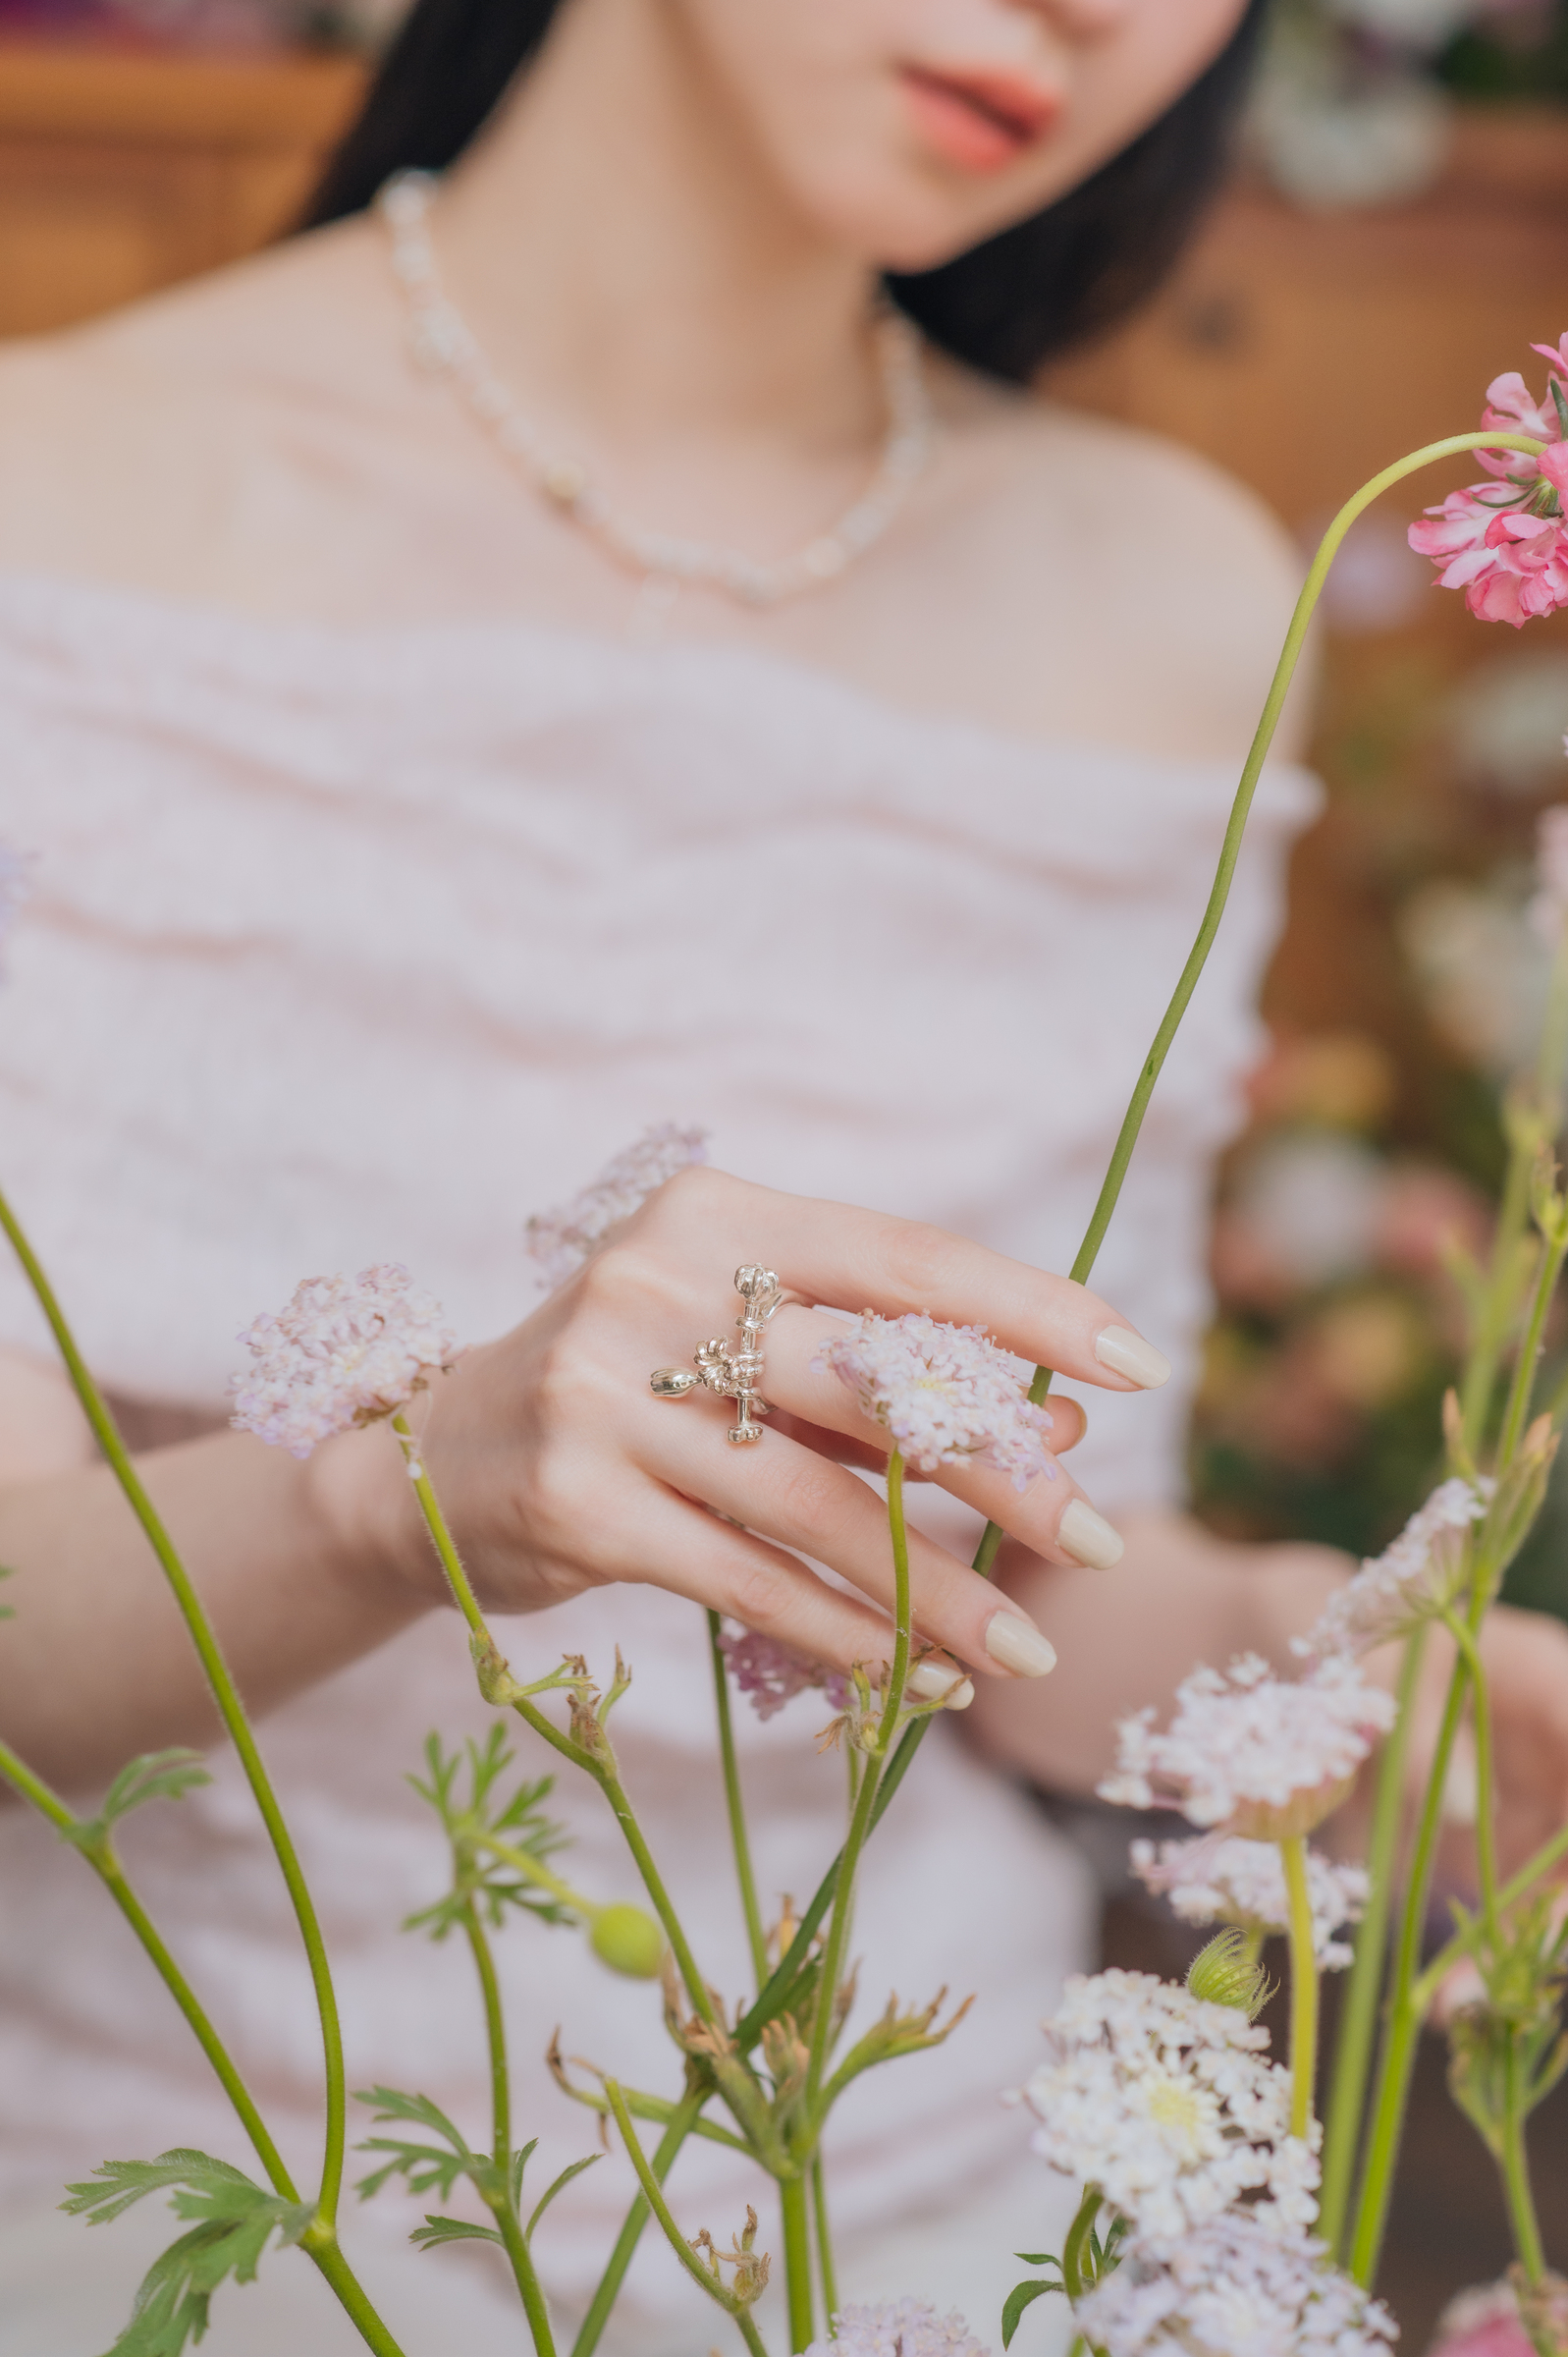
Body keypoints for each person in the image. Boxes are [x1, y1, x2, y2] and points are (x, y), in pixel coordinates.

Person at [0, 1, 1566, 2350]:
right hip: (170, 2224)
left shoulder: (1168, 599)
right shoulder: (57, 505)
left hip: (918, 2233)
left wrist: (1336, 1689)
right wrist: (398, 1491)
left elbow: (1021, 1593)